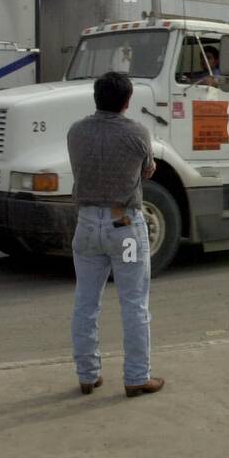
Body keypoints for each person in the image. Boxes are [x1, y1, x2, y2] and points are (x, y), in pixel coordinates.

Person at [66, 71, 165, 397]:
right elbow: (148, 170)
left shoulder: (76, 131)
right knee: (134, 303)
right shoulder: (137, 132)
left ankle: (87, 375)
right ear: (127, 101)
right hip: (123, 227)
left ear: (96, 97)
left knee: (85, 302)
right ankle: (137, 377)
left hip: (86, 226)